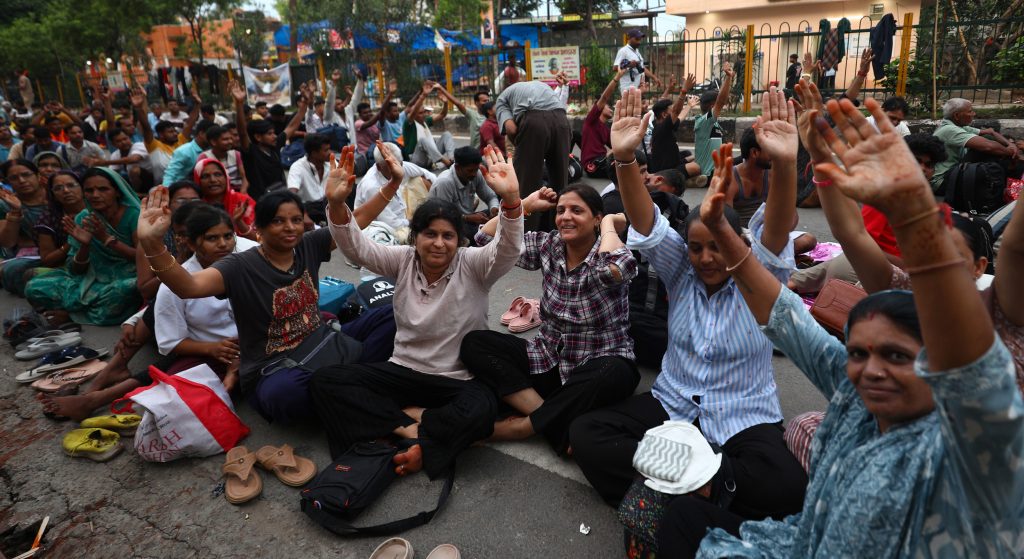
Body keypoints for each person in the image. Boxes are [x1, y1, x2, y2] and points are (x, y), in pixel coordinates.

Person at [681, 90, 1023, 559]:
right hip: (802, 543)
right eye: (859, 353)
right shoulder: (855, 396)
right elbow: (786, 316)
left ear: (938, 369)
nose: (871, 369)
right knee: (660, 510)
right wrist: (720, 227)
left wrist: (918, 220)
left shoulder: (957, 443)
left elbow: (977, 367)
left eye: (897, 356)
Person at [569, 88, 807, 528]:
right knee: (587, 434)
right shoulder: (681, 271)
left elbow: (776, 229)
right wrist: (623, 161)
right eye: (697, 248)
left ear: (739, 246)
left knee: (787, 486)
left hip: (743, 416)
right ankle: (698, 494)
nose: (706, 258)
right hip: (673, 407)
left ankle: (682, 491)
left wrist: (786, 163)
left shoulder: (759, 280)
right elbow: (646, 221)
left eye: (718, 247)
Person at [311, 144, 522, 479]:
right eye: (430, 234)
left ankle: (405, 426)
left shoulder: (474, 265)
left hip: (456, 379)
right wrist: (337, 203)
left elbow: (508, 249)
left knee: (482, 410)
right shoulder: (403, 259)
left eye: (448, 236)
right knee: (325, 381)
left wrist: (511, 202)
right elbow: (356, 247)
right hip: (404, 373)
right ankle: (410, 429)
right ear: (416, 237)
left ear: (459, 241)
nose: (439, 243)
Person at [135, 179, 398, 424]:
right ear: (258, 230)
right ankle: (356, 381)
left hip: (322, 342)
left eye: (296, 219)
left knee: (391, 315)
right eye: (278, 221)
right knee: (283, 396)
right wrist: (152, 243)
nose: (290, 227)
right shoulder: (239, 265)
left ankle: (345, 384)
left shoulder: (309, 244)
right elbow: (187, 286)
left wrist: (391, 185)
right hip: (273, 367)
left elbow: (355, 223)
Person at [37, 203, 257, 421]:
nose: (223, 244)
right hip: (213, 351)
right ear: (190, 242)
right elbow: (171, 342)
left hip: (257, 342)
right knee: (174, 385)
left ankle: (97, 395)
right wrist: (212, 348)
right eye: (212, 238)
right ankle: (97, 397)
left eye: (228, 236)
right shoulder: (178, 281)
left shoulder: (251, 256)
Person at [462, 184, 639, 453]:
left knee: (613, 372)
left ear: (596, 219)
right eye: (561, 210)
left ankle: (521, 427)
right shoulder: (549, 245)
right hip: (548, 358)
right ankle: (550, 419)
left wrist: (610, 225)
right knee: (475, 343)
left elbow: (622, 267)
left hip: (598, 361)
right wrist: (525, 206)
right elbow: (485, 239)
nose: (566, 216)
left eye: (577, 210)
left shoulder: (606, 253)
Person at [24, 168, 141, 325]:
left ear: (117, 192)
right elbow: (75, 270)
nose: (95, 195)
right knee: (34, 287)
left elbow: (144, 259)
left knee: (125, 289)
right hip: (91, 280)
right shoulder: (83, 218)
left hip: (127, 276)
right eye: (89, 190)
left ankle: (71, 315)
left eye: (103, 189)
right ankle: (87, 309)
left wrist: (106, 239)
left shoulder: (135, 216)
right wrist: (85, 246)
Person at [495, 80, 572, 232]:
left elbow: (510, 129)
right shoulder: (539, 85)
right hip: (562, 121)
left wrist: (523, 147)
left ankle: (525, 235)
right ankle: (560, 231)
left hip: (534, 121)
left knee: (525, 185)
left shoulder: (501, 100)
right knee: (560, 183)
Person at [354, 141, 436, 240]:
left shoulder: (398, 164)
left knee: (421, 180)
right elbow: (391, 222)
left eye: (400, 164)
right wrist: (417, 222)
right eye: (392, 167)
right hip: (382, 227)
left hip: (403, 216)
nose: (398, 169)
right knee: (422, 238)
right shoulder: (371, 186)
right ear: (379, 167)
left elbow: (430, 176)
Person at [931, 97, 1018, 191]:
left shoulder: (957, 125)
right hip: (942, 182)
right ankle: (1008, 180)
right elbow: (988, 147)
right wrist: (1011, 153)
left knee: (990, 143)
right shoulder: (949, 129)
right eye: (970, 111)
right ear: (957, 115)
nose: (974, 114)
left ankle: (1007, 178)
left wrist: (1010, 144)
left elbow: (990, 132)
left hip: (954, 172)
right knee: (984, 149)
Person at [427, 147, 499, 239]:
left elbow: (490, 196)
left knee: (501, 213)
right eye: (470, 171)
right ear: (457, 167)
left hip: (467, 218)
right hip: (446, 223)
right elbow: (444, 215)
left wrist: (494, 208)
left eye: (476, 170)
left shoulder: (476, 174)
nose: (474, 174)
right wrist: (468, 218)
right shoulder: (445, 182)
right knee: (481, 233)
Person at [0, 159, 50, 294]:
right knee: (13, 271)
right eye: (14, 178)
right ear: (8, 183)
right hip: (29, 254)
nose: (22, 181)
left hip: (59, 249)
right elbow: (8, 242)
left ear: (38, 176)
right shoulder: (6, 204)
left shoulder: (56, 194)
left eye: (26, 175)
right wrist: (16, 211)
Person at [133, 86, 198, 186]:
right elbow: (146, 127)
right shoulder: (154, 146)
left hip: (185, 184)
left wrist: (197, 103)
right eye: (170, 132)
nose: (175, 133)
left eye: (175, 131)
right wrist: (138, 108)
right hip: (163, 187)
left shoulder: (180, 141)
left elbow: (190, 123)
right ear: (161, 135)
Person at [229, 80, 283, 200]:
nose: (274, 136)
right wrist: (239, 103)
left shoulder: (274, 148)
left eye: (274, 133)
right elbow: (242, 133)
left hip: (279, 195)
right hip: (261, 201)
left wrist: (305, 105)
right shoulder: (251, 152)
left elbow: (291, 127)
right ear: (258, 137)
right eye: (270, 134)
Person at [648, 73, 704, 185]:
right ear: (664, 115)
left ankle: (684, 180)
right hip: (665, 171)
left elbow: (679, 117)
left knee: (692, 155)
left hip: (674, 163)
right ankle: (681, 181)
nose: (673, 111)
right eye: (671, 110)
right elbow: (676, 112)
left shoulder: (665, 125)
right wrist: (683, 91)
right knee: (697, 167)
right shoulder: (661, 128)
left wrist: (689, 106)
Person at [193, 158, 256, 239]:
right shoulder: (195, 207)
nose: (213, 180)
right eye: (205, 176)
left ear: (226, 177)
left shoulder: (243, 202)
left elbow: (258, 240)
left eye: (218, 174)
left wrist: (239, 222)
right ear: (197, 180)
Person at [581, 69, 627, 179]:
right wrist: (617, 78)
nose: (611, 108)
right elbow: (604, 97)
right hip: (593, 165)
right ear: (600, 108)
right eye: (607, 106)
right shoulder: (591, 120)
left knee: (628, 158)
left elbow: (617, 147)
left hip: (603, 161)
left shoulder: (606, 129)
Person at [694, 62, 734, 178]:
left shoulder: (712, 123)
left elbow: (720, 98)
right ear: (713, 106)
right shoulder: (703, 122)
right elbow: (720, 100)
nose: (724, 106)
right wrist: (728, 77)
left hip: (717, 168)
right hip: (710, 173)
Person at [727, 128, 772, 227]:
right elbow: (725, 221)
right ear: (754, 153)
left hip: (767, 233)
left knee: (807, 240)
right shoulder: (731, 178)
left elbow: (792, 217)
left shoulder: (773, 176)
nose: (774, 152)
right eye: (769, 149)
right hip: (739, 234)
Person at [286, 133, 332, 224]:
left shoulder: (331, 164)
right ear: (314, 153)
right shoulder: (297, 167)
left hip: (328, 205)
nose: (330, 152)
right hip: (309, 209)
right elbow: (291, 194)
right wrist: (304, 215)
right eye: (326, 150)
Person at [161, 119, 216, 185]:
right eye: (211, 135)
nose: (214, 139)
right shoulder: (184, 151)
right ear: (201, 134)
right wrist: (165, 191)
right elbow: (170, 174)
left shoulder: (212, 149)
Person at [201, 125, 249, 194]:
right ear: (213, 142)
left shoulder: (236, 154)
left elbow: (244, 177)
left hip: (237, 191)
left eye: (230, 139)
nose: (230, 142)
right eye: (225, 139)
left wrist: (243, 192)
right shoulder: (204, 157)